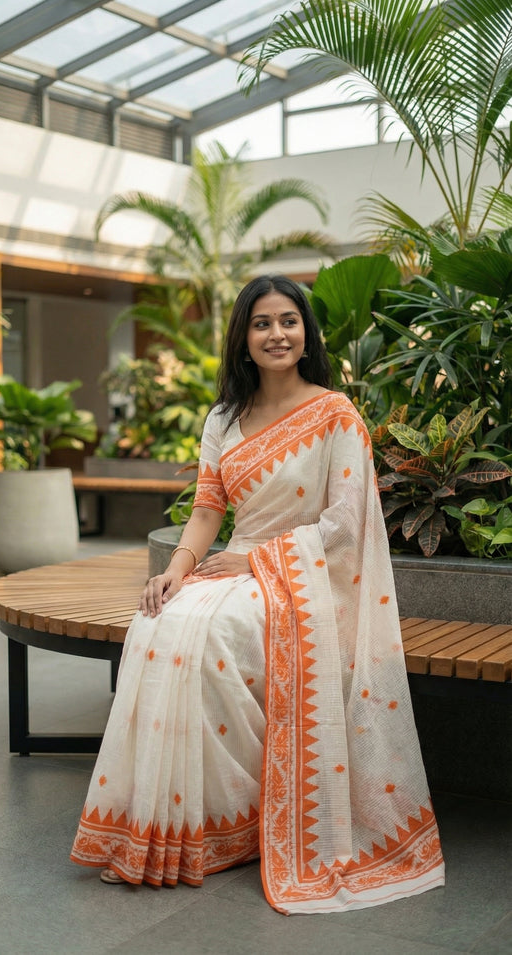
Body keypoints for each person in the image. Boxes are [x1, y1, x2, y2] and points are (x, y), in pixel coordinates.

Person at [71, 274, 444, 914]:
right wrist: (179, 570)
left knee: (210, 636)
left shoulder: (335, 414)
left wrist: (258, 562)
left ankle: (248, 816)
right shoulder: (225, 418)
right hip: (236, 568)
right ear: (244, 339)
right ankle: (180, 824)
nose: (277, 334)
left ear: (306, 334)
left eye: (288, 321)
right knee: (160, 622)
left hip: (306, 579)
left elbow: (344, 523)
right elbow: (208, 508)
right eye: (262, 323)